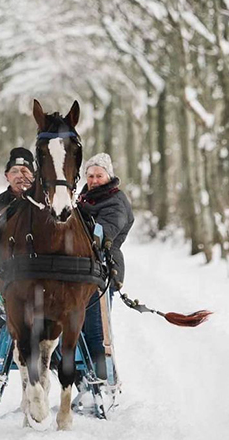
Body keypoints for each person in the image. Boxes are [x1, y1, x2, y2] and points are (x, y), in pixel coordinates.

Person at [76, 152, 134, 380]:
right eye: (90, 175)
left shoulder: (115, 200)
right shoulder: (84, 198)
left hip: (103, 268)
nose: (94, 180)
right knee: (76, 330)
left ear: (108, 176)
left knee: (95, 329)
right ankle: (83, 381)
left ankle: (104, 379)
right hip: (81, 269)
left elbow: (102, 234)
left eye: (99, 175)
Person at [0, 147, 35, 358]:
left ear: (34, 174)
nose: (21, 176)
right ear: (6, 176)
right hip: (9, 277)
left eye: (26, 171)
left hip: (43, 274)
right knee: (5, 322)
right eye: (15, 171)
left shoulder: (44, 202)